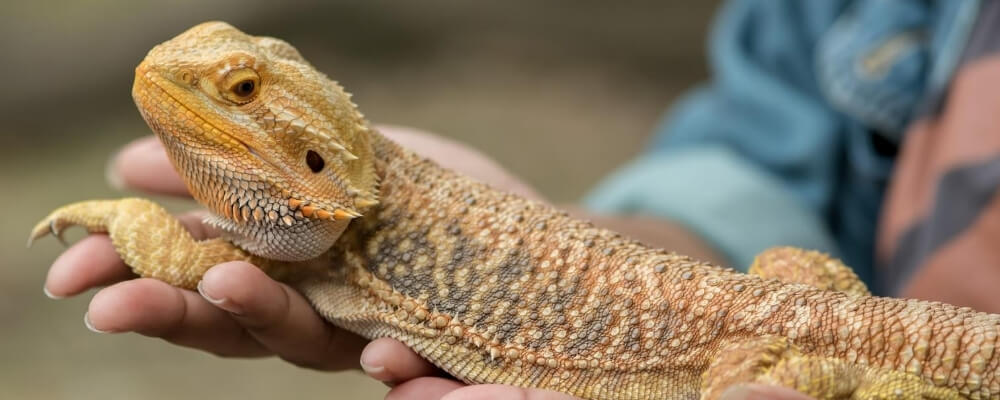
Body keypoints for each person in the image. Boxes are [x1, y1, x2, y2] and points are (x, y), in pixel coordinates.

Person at [45, 0, 1000, 397]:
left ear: (311, 152)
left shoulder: (323, 206)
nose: (210, 97)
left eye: (244, 92)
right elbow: (778, 144)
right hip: (783, 297)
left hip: (754, 345)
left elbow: (187, 253)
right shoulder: (322, 223)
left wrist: (132, 221)